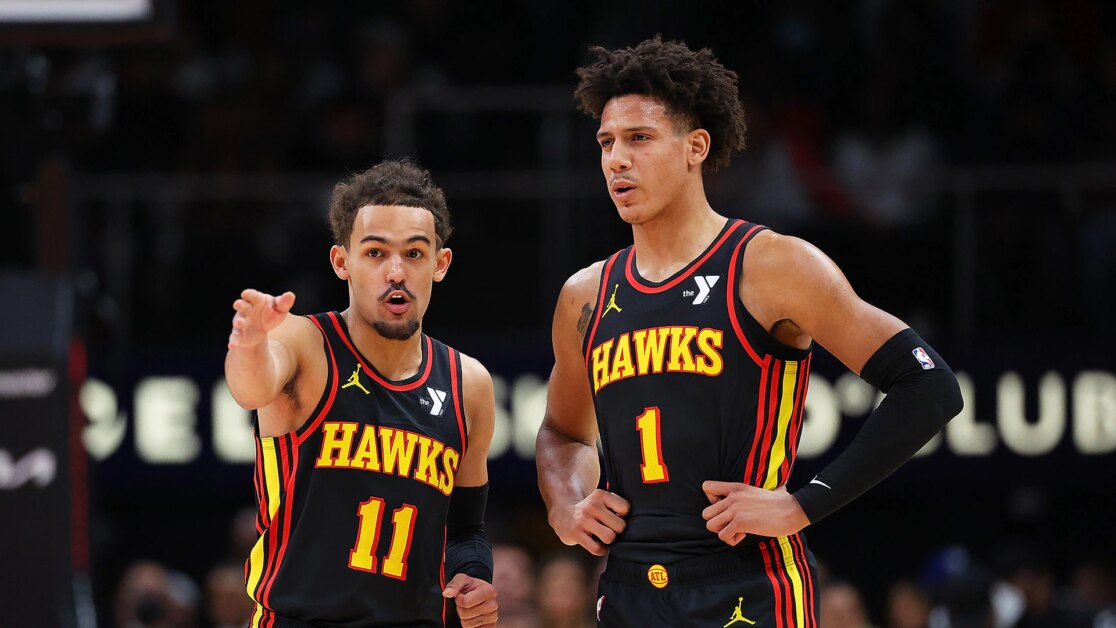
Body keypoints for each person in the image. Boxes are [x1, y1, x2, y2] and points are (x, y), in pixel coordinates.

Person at [535, 36, 963, 627]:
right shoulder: (584, 294)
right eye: (607, 142)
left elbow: (928, 386)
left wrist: (803, 505)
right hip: (630, 590)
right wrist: (565, 505)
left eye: (639, 138)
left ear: (696, 147)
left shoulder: (771, 265)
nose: (616, 159)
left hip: (747, 586)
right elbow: (562, 432)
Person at [225, 159, 498, 628]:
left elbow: (466, 529)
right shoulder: (304, 343)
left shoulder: (468, 383)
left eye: (414, 253)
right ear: (342, 262)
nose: (396, 272)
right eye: (375, 253)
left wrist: (474, 576)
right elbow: (251, 388)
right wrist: (248, 344)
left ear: (440, 264)